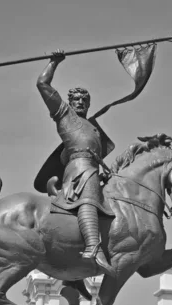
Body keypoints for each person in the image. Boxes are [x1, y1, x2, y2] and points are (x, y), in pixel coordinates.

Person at [36, 49, 111, 273]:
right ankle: (92, 247)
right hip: (79, 170)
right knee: (88, 196)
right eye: (75, 99)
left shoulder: (94, 128)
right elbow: (42, 84)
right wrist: (53, 62)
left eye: (84, 100)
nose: (80, 102)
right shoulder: (64, 116)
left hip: (94, 168)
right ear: (69, 103)